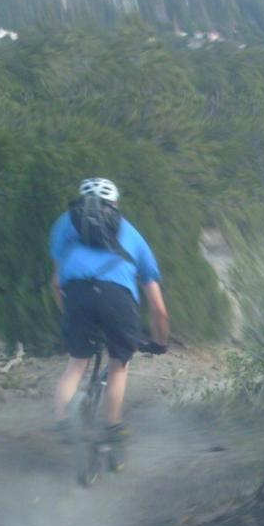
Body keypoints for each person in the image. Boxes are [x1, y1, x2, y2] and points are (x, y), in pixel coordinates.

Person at [49, 177, 169, 469]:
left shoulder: (65, 224)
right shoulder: (131, 234)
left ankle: (63, 421)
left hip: (76, 294)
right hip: (118, 300)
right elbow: (157, 307)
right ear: (115, 204)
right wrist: (160, 341)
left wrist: (70, 314)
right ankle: (112, 429)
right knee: (118, 365)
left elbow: (56, 282)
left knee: (77, 362)